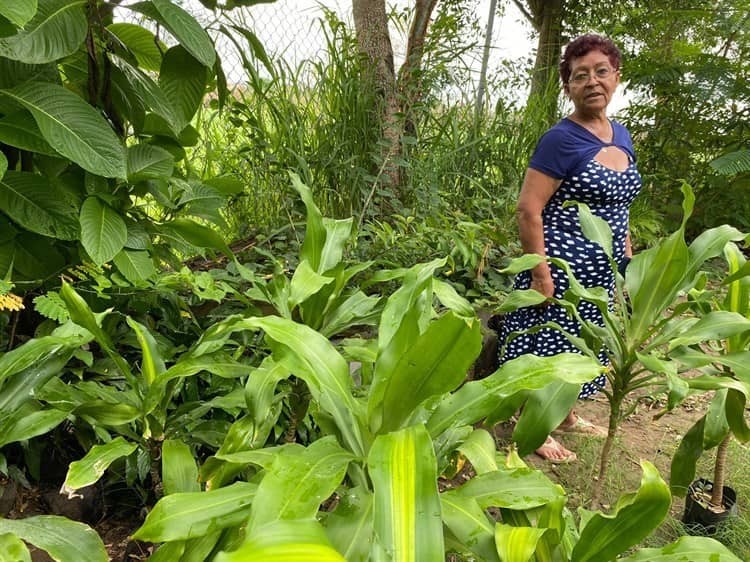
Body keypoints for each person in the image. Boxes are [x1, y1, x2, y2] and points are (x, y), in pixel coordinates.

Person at [497, 34, 641, 463]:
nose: (592, 81)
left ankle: (565, 414)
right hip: (561, 268)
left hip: (603, 273)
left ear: (616, 77)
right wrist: (541, 273)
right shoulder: (560, 140)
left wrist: (628, 267)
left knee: (583, 343)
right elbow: (528, 209)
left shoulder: (622, 135)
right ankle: (533, 424)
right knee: (546, 346)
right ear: (568, 87)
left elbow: (622, 209)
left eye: (601, 71)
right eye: (580, 76)